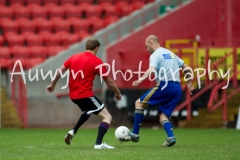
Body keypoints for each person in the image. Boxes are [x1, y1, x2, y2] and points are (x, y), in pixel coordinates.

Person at [119, 35, 195, 147]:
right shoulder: (171, 54)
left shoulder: (155, 55)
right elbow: (187, 67)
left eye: (146, 46)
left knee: (139, 103)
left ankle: (135, 134)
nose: (146, 49)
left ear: (151, 42)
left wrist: (140, 79)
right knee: (163, 115)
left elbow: (151, 69)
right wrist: (189, 82)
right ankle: (170, 137)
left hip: (165, 85)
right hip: (177, 88)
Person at [46, 38, 122, 149]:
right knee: (107, 117)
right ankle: (99, 144)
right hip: (85, 95)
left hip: (73, 96)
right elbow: (109, 82)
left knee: (88, 111)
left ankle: (73, 131)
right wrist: (118, 93)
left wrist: (53, 84)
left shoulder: (74, 57)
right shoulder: (97, 62)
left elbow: (61, 69)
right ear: (96, 48)